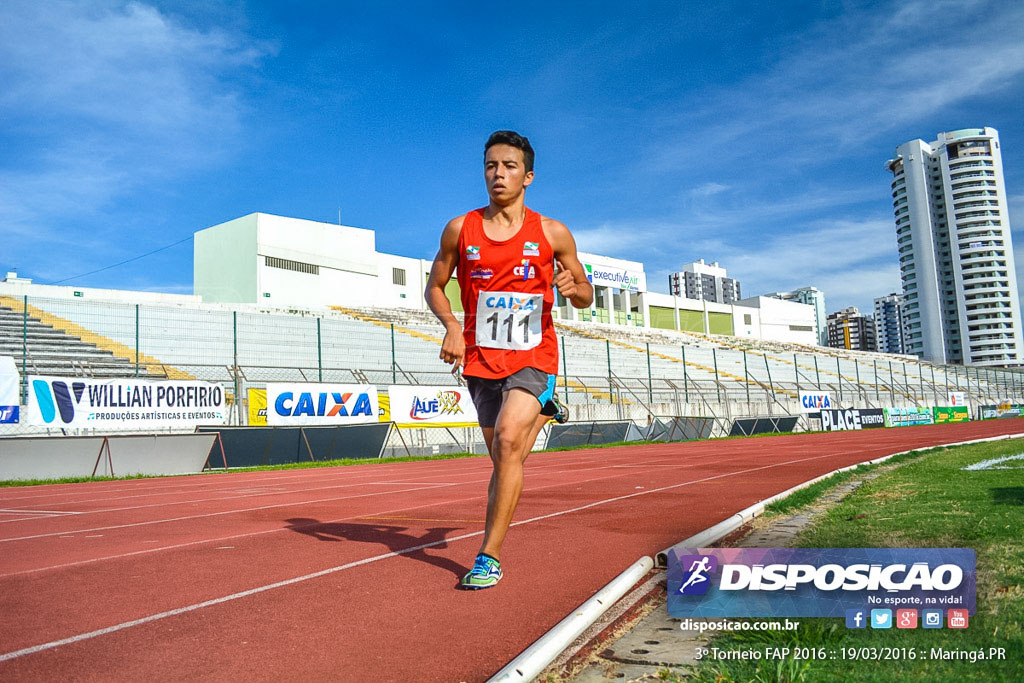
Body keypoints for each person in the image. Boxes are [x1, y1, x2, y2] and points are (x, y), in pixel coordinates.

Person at [425, 130, 593, 589]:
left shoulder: (552, 232)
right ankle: (546, 412)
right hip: (480, 359)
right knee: (503, 458)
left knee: (506, 439)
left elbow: (583, 296)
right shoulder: (460, 229)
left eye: (510, 166)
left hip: (534, 354)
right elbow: (434, 287)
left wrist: (574, 288)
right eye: (491, 166)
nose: (498, 174)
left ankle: (488, 556)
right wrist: (453, 327)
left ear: (529, 176)